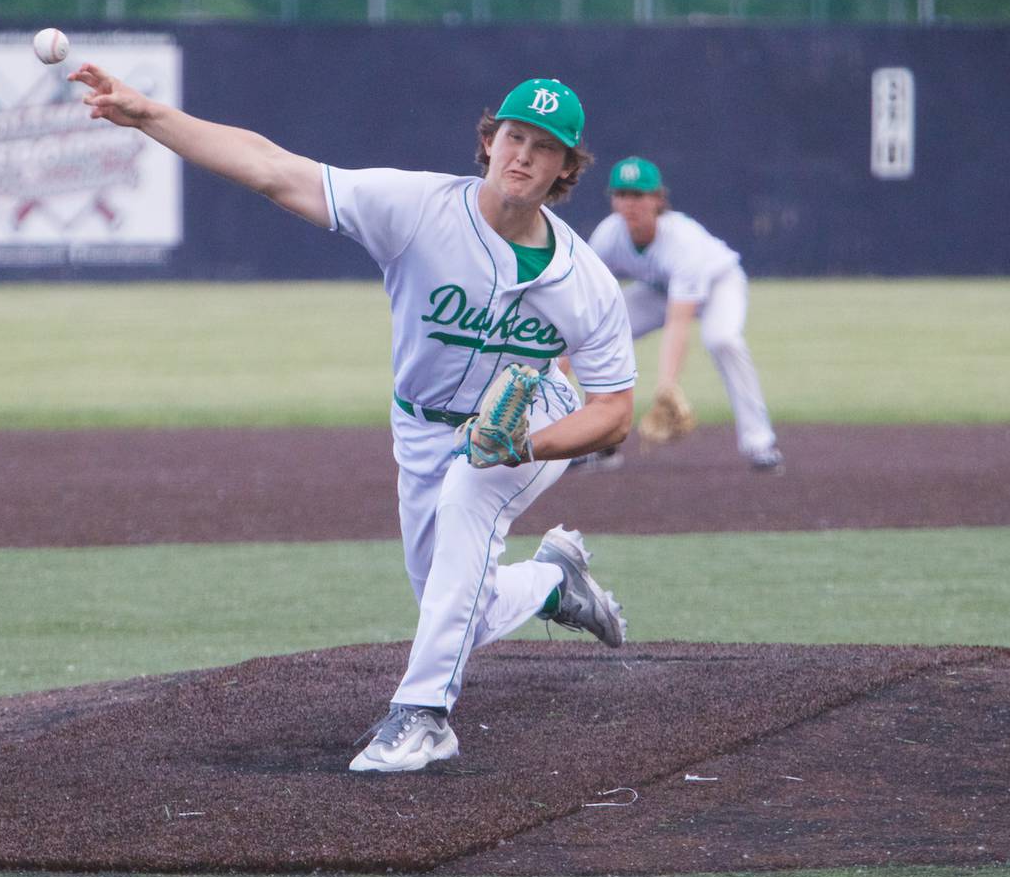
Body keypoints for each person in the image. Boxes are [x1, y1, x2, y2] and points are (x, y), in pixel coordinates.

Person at [69, 64, 637, 773]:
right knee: (455, 603)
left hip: (531, 414)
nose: (524, 154)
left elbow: (613, 410)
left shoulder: (584, 281)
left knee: (469, 496)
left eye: (544, 147)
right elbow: (274, 170)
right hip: (422, 427)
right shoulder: (417, 208)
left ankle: (424, 715)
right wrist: (150, 113)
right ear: (488, 142)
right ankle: (554, 581)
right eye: (514, 136)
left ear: (564, 169)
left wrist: (530, 441)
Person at [583, 155, 783, 473]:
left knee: (722, 339)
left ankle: (760, 444)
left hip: (720, 285)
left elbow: (679, 323)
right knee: (599, 329)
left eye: (638, 195)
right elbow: (582, 306)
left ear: (658, 199)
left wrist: (667, 387)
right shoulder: (609, 235)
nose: (628, 203)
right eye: (621, 195)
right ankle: (598, 442)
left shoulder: (681, 241)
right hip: (658, 290)